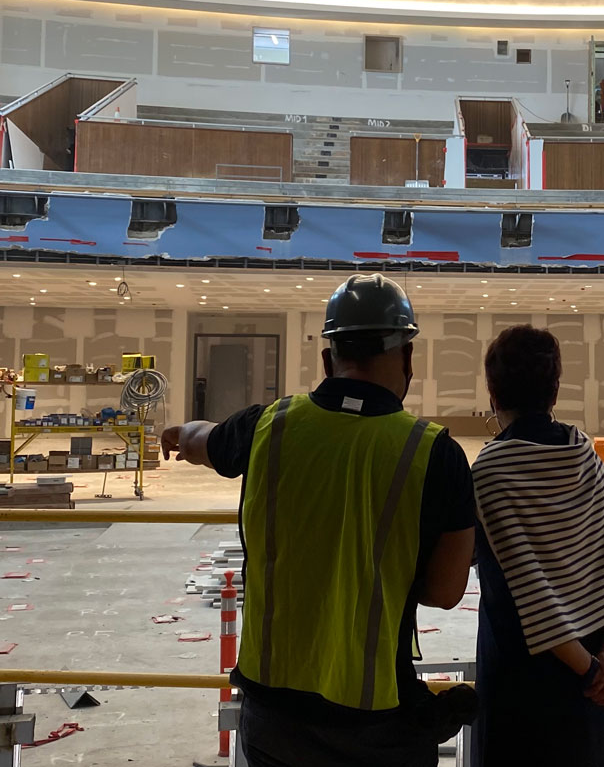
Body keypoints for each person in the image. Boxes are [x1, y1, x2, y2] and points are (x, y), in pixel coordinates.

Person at [162, 274, 477, 767]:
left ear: (328, 358)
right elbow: (445, 591)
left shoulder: (268, 425)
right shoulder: (433, 453)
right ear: (408, 359)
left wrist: (181, 433)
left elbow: (206, 440)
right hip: (376, 713)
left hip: (273, 710)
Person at [468, 324, 604, 767]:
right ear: (555, 391)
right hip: (589, 697)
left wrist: (596, 672)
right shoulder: (586, 457)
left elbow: (527, 595)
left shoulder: (489, 472)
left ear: (494, 395)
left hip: (519, 696)